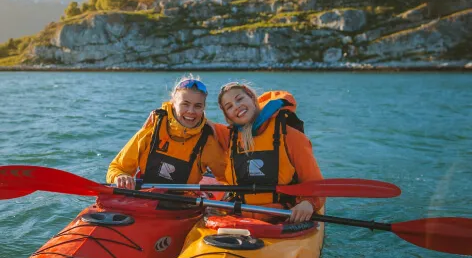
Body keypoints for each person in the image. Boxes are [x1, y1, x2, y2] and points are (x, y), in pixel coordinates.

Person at [215, 82, 325, 223]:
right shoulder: (228, 138)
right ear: (228, 116)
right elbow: (195, 123)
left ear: (252, 98)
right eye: (229, 106)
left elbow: (315, 184)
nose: (236, 106)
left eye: (240, 99)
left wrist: (309, 203)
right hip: (239, 216)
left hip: (282, 217)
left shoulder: (290, 136)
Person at [106, 75, 226, 189]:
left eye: (198, 106)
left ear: (204, 108)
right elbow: (116, 168)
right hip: (144, 198)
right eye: (185, 104)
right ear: (173, 103)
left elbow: (228, 179)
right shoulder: (152, 129)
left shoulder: (208, 141)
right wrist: (120, 177)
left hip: (184, 205)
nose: (191, 111)